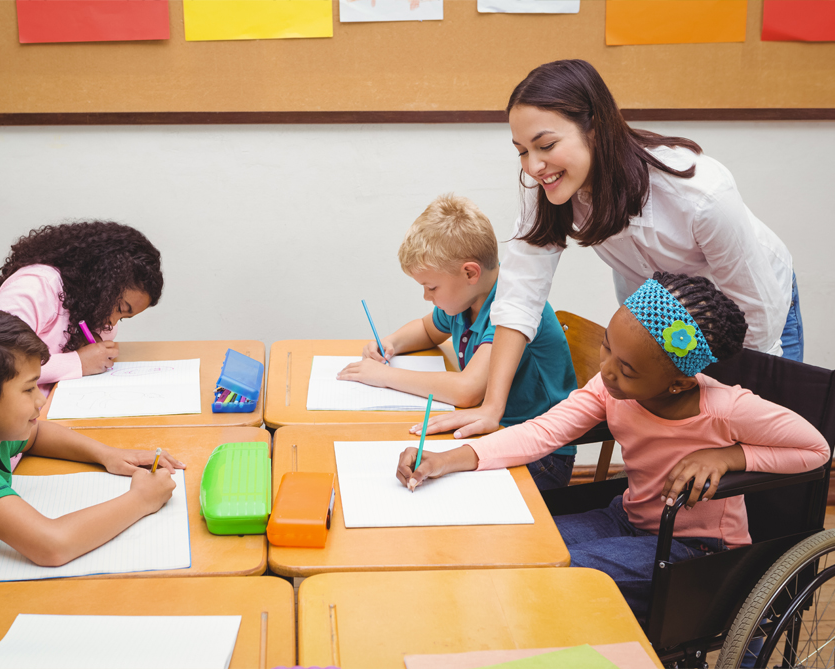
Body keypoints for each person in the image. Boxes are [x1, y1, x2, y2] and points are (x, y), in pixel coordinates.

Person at [396, 273, 828, 619]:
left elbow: (816, 450)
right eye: (607, 348)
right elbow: (543, 432)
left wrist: (729, 455)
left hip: (695, 548)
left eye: (626, 368)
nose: (606, 372)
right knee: (517, 546)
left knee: (556, 571)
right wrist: (447, 460)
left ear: (678, 382)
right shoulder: (609, 387)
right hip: (626, 517)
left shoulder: (727, 408)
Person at [421, 59, 802, 440]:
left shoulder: (701, 195)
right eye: (521, 150)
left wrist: (740, 417)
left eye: (546, 145)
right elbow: (520, 295)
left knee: (750, 446)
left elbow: (758, 322)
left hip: (751, 311)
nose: (534, 166)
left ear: (596, 128)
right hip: (664, 318)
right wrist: (492, 408)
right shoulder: (550, 186)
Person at [0, 303, 183, 631]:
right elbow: (52, 545)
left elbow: (35, 434)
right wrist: (141, 500)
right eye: (28, 388)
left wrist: (107, 454)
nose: (40, 400)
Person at [339, 194, 578, 489]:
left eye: (431, 287)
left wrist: (385, 376)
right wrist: (391, 343)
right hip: (492, 437)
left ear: (469, 273)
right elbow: (427, 329)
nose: (427, 297)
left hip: (542, 455)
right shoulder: (466, 300)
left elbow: (467, 391)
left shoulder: (511, 306)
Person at [0, 220, 163, 396]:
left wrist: (95, 342)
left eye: (122, 318)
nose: (111, 323)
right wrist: (78, 363)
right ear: (101, 281)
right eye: (119, 308)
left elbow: (104, 334)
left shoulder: (82, 301)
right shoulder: (34, 287)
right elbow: (1, 363)